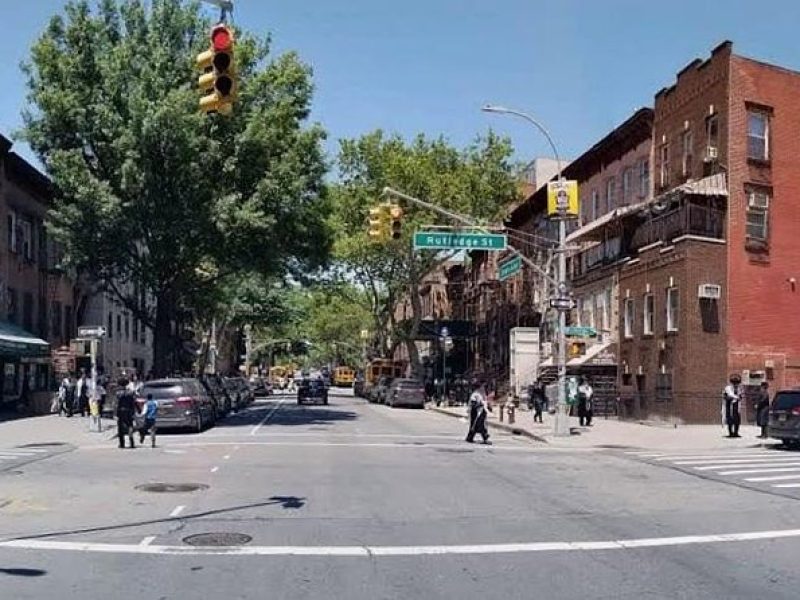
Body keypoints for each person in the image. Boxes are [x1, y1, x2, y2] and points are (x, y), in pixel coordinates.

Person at [466, 380, 491, 444]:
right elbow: (473, 403)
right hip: (476, 412)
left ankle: (470, 437)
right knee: (479, 424)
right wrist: (479, 405)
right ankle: (485, 436)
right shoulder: (475, 394)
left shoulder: (482, 394)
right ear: (479, 387)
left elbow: (485, 402)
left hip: (482, 411)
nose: (484, 388)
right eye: (483, 387)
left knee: (476, 425)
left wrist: (488, 407)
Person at [115, 377, 137, 449]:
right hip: (128, 411)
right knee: (130, 425)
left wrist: (115, 413)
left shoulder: (118, 393)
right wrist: (133, 411)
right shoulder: (130, 393)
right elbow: (133, 403)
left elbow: (116, 404)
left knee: (120, 428)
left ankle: (122, 444)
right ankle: (131, 442)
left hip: (121, 411)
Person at [722, 374, 743, 438]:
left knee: (737, 420)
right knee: (730, 420)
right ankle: (731, 433)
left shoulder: (739, 389)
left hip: (736, 407)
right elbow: (725, 397)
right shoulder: (728, 389)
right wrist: (732, 398)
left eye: (737, 383)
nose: (736, 385)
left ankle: (736, 432)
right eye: (735, 383)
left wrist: (738, 398)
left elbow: (740, 397)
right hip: (730, 407)